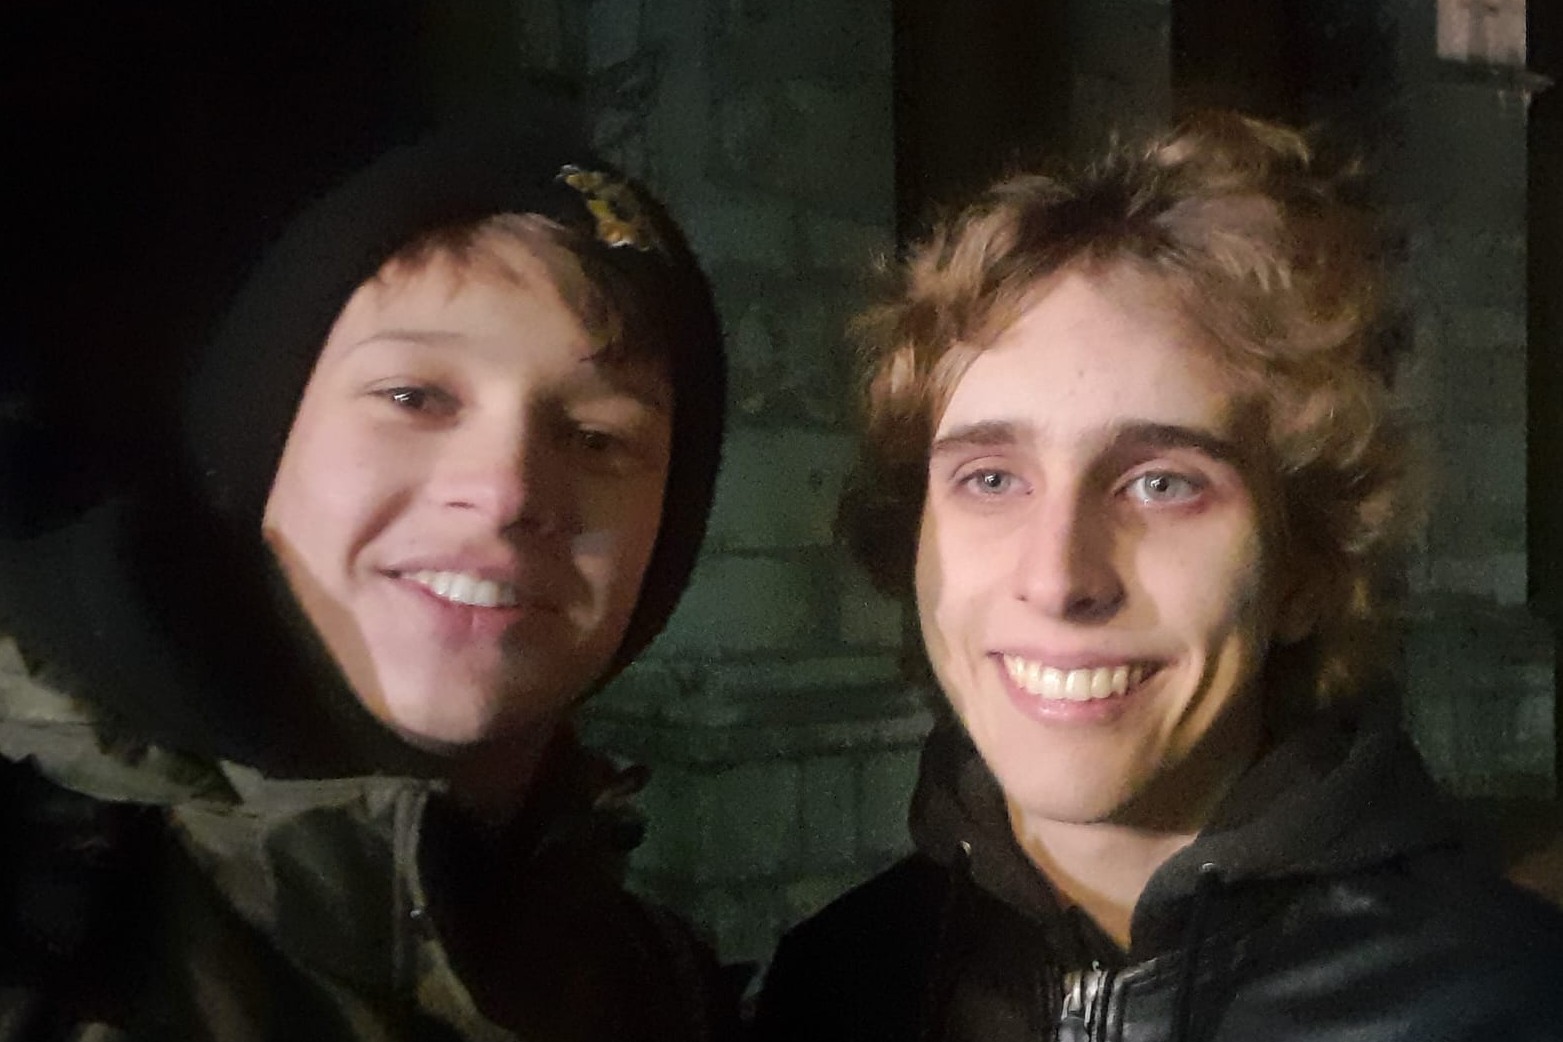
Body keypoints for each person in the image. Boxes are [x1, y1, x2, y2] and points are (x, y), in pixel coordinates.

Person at [755, 113, 1563, 1041]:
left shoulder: (1504, 1006)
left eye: (1161, 483)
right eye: (990, 479)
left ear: (1301, 567)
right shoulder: (835, 989)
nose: (1058, 577)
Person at [0, 122, 731, 1041]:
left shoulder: (650, 987)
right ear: (260, 436)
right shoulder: (43, 917)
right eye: (413, 397)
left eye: (597, 439)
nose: (507, 493)